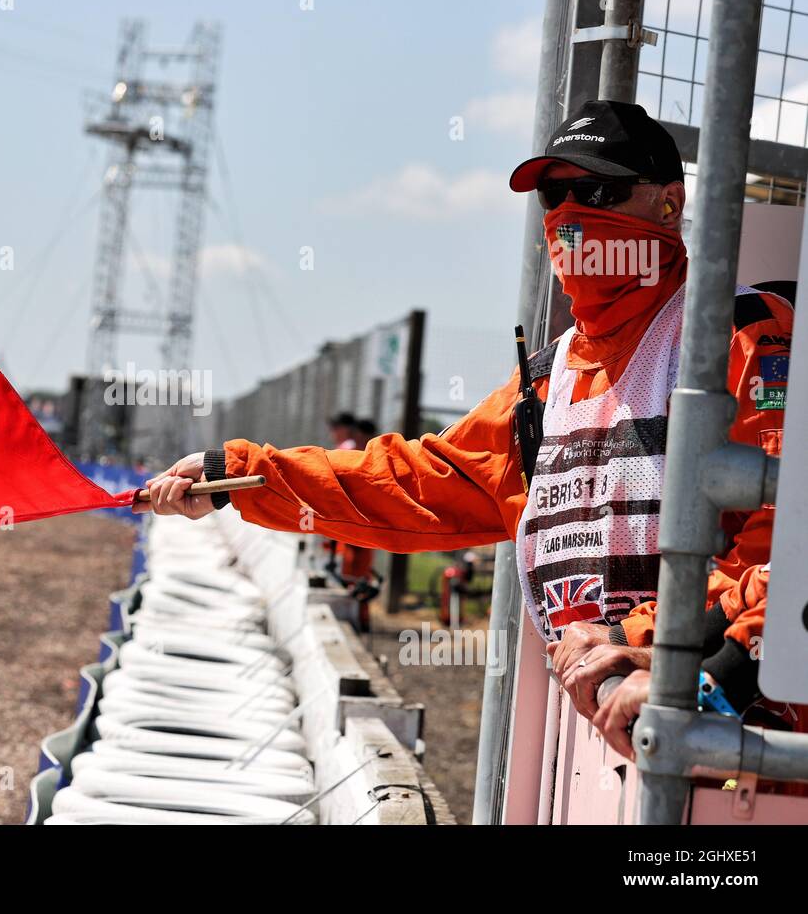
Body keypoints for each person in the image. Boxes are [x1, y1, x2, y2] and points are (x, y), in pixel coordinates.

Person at [136, 100, 789, 724]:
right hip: (613, 724)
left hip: (738, 735)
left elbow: (790, 543)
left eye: (595, 193)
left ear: (668, 203)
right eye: (551, 197)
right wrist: (240, 474)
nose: (567, 214)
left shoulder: (743, 336)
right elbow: (418, 483)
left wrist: (679, 655)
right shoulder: (547, 381)